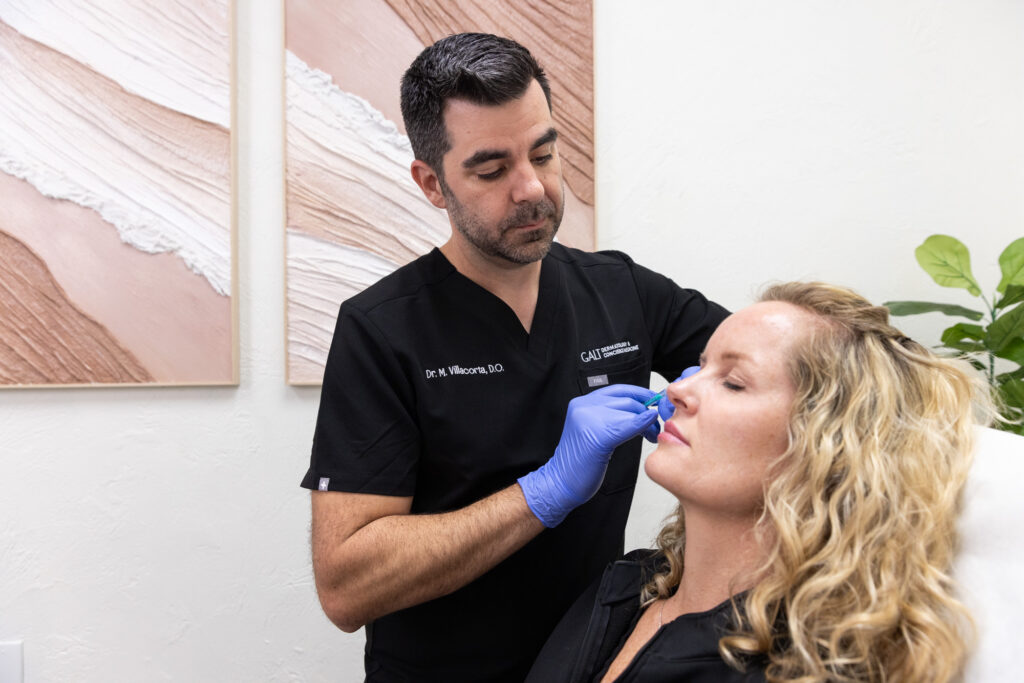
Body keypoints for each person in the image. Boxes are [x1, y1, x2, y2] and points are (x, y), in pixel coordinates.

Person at [300, 32, 729, 681]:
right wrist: (544, 491)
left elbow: (773, 364)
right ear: (432, 183)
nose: (531, 188)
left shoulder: (622, 291)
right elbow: (346, 585)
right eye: (492, 168)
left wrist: (722, 388)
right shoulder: (382, 329)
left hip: (588, 665)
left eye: (544, 153)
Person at [527, 281, 993, 683]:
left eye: (732, 382)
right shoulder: (626, 586)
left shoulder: (799, 664)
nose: (676, 389)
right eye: (701, 364)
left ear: (824, 442)